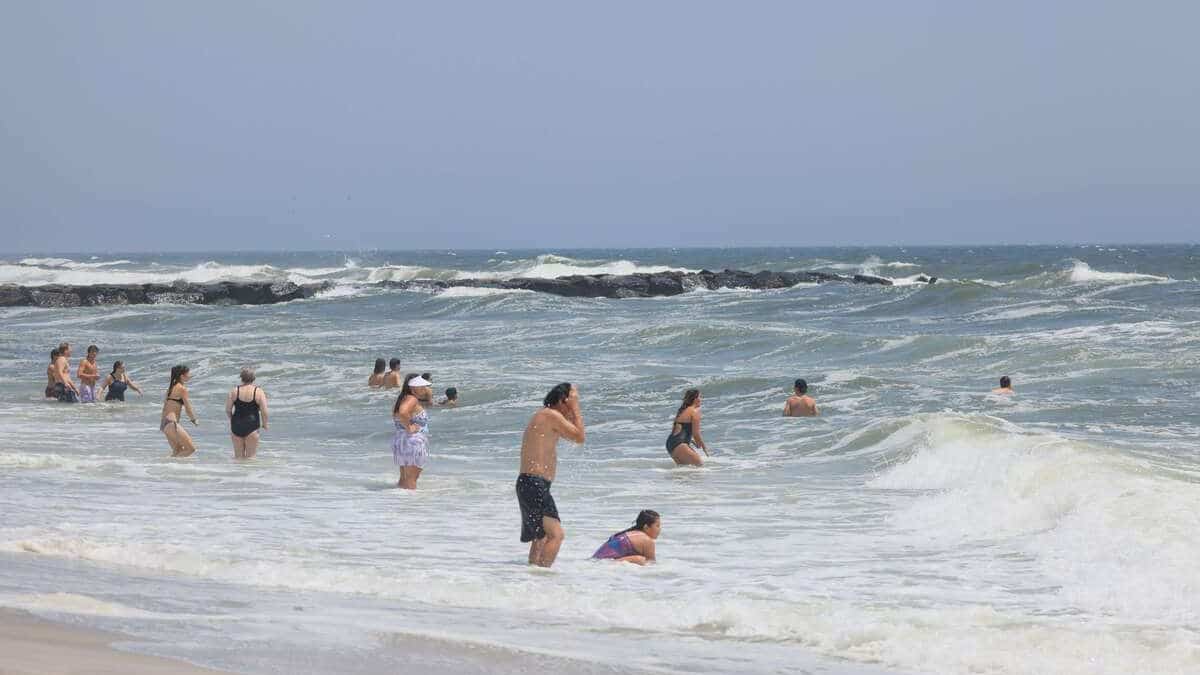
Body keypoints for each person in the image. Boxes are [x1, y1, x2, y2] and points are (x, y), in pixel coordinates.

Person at [516, 383, 586, 568]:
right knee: (557, 535)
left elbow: (573, 432)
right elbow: (579, 437)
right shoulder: (549, 415)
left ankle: (533, 576)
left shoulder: (545, 416)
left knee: (541, 537)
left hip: (530, 483)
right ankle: (543, 577)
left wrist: (571, 409)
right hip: (534, 483)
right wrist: (576, 407)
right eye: (572, 401)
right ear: (563, 401)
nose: (574, 405)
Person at [392, 374, 432, 489]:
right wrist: (409, 427)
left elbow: (397, 417)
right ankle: (411, 505)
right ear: (412, 387)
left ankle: (399, 502)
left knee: (404, 479)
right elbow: (402, 413)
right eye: (421, 386)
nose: (424, 388)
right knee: (411, 480)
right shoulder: (412, 399)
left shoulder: (401, 398)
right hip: (412, 442)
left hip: (401, 441)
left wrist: (406, 427)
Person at [226, 368, 269, 459]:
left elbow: (228, 410)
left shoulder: (234, 391)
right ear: (254, 378)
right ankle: (250, 473)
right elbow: (264, 411)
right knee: (251, 458)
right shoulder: (258, 391)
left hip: (236, 424)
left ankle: (238, 472)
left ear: (241, 378)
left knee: (238, 457)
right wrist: (265, 424)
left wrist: (232, 419)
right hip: (252, 425)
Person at [592, 510, 661, 565]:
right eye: (657, 526)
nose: (659, 529)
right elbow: (652, 565)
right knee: (641, 560)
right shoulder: (647, 540)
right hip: (605, 564)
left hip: (595, 561)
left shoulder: (627, 533)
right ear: (646, 527)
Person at [161, 365, 198, 457]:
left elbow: (164, 407)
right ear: (182, 376)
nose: (190, 376)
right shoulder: (182, 388)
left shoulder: (170, 388)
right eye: (188, 374)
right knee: (191, 449)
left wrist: (163, 425)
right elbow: (188, 407)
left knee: (177, 451)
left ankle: (167, 467)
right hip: (171, 424)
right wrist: (194, 419)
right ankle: (166, 465)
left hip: (165, 423)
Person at [666, 388, 708, 466]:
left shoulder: (683, 410)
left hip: (670, 444)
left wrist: (689, 440)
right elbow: (696, 434)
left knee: (684, 470)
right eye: (700, 397)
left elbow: (676, 430)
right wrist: (703, 446)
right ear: (695, 399)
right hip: (679, 444)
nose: (701, 399)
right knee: (700, 466)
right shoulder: (694, 412)